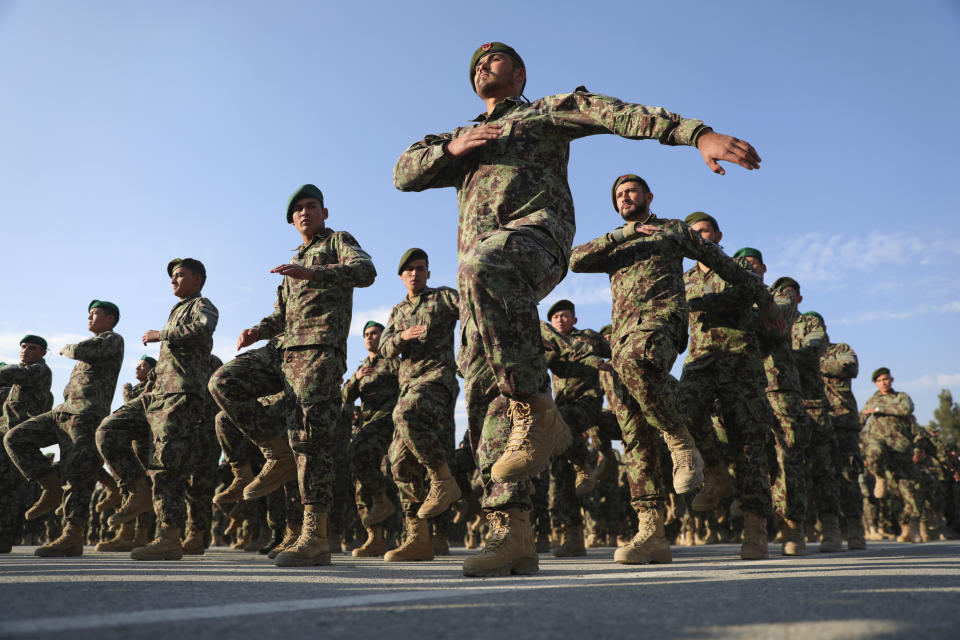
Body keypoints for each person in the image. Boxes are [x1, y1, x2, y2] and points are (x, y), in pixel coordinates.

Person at [394, 41, 762, 578]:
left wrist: (694, 134)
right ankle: (512, 533)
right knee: (482, 396)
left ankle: (541, 409)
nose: (481, 67)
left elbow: (617, 114)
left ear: (519, 75)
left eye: (493, 60)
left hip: (532, 242)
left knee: (481, 271)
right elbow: (404, 172)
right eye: (474, 65)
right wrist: (454, 148)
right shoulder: (462, 139)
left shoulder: (544, 114)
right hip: (485, 291)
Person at [569, 177, 782, 565]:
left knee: (748, 441)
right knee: (635, 428)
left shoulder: (671, 229)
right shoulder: (618, 241)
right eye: (618, 195)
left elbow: (722, 263)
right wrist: (621, 235)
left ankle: (753, 527)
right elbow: (575, 259)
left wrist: (765, 299)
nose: (625, 197)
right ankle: (651, 530)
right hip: (640, 344)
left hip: (670, 331)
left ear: (649, 196)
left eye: (632, 191)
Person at [235, 184, 376, 566]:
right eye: (297, 210)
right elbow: (280, 315)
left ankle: (315, 535)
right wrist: (257, 331)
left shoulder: (337, 242)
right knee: (224, 383)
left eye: (311, 207)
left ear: (324, 213)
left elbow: (366, 271)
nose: (304, 213)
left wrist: (312, 273)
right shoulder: (292, 262)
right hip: (283, 351)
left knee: (309, 440)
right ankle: (274, 454)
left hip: (318, 352)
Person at [97, 259, 217, 561]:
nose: (173, 281)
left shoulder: (202, 304)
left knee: (165, 468)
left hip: (180, 397)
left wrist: (161, 334)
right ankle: (137, 490)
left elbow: (205, 327)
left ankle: (169, 537)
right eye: (172, 276)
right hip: (155, 396)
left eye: (179, 275)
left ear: (197, 279)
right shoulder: (176, 309)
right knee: (108, 431)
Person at [678, 212, 777, 560]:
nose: (701, 238)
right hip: (701, 360)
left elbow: (753, 291)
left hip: (740, 362)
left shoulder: (737, 268)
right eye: (694, 234)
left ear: (718, 235)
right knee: (682, 410)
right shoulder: (683, 279)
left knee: (749, 442)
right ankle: (717, 474)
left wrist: (705, 303)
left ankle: (755, 528)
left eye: (705, 232)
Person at [5, 302, 124, 557]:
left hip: (86, 413)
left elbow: (78, 349)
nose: (90, 317)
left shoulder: (112, 339)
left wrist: (67, 348)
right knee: (16, 437)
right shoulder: (94, 346)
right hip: (63, 410)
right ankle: (49, 486)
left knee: (77, 473)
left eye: (95, 314)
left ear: (110, 318)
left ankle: (72, 535)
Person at [378, 248, 460, 562]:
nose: (415, 273)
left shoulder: (444, 297)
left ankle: (443, 480)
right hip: (408, 385)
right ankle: (419, 536)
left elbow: (472, 311)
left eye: (420, 268)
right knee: (398, 461)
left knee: (405, 413)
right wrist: (403, 336)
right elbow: (385, 348)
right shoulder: (397, 312)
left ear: (428, 273)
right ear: (401, 277)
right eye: (409, 269)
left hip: (437, 379)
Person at [544, 299, 610, 557]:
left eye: (565, 315)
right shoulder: (549, 346)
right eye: (556, 316)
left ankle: (583, 465)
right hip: (560, 411)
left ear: (575, 319)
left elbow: (616, 348)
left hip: (588, 403)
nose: (560, 319)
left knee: (565, 417)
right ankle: (572, 536)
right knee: (560, 474)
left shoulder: (590, 338)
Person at [342, 321, 400, 557]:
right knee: (361, 482)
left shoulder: (394, 362)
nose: (369, 337)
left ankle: (397, 534)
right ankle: (374, 537)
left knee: (390, 477)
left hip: (389, 422)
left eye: (374, 333)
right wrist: (356, 378)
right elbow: (345, 396)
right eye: (366, 334)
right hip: (368, 425)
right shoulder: (363, 366)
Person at [0, 335, 53, 553]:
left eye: (32, 348)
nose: (25, 350)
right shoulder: (17, 380)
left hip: (19, 440)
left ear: (42, 353)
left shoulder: (38, 371)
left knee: (8, 490)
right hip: (6, 436)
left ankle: (3, 538)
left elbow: (12, 373)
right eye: (23, 346)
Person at [860, 367, 923, 542]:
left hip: (901, 451)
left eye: (886, 379)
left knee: (904, 490)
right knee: (873, 451)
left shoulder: (901, 397)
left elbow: (906, 409)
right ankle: (879, 476)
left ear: (891, 380)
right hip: (881, 448)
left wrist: (880, 409)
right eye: (880, 381)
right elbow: (861, 418)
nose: (883, 383)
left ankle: (910, 527)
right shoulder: (871, 399)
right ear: (875, 383)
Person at [819, 325, 866, 549]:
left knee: (848, 475)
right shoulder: (794, 353)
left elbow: (850, 367)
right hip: (816, 421)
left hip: (842, 421)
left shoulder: (839, 349)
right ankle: (830, 529)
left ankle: (855, 527)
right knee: (823, 476)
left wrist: (815, 363)